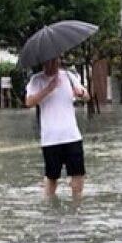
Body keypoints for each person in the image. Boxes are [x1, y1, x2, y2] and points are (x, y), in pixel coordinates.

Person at [25, 57, 90, 199]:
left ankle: (77, 203)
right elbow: (29, 102)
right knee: (51, 176)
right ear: (43, 62)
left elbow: (86, 97)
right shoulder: (36, 80)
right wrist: (48, 89)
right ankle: (50, 205)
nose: (53, 64)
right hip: (51, 138)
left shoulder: (69, 76)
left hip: (72, 135)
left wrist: (81, 94)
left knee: (78, 173)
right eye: (49, 61)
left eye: (55, 60)